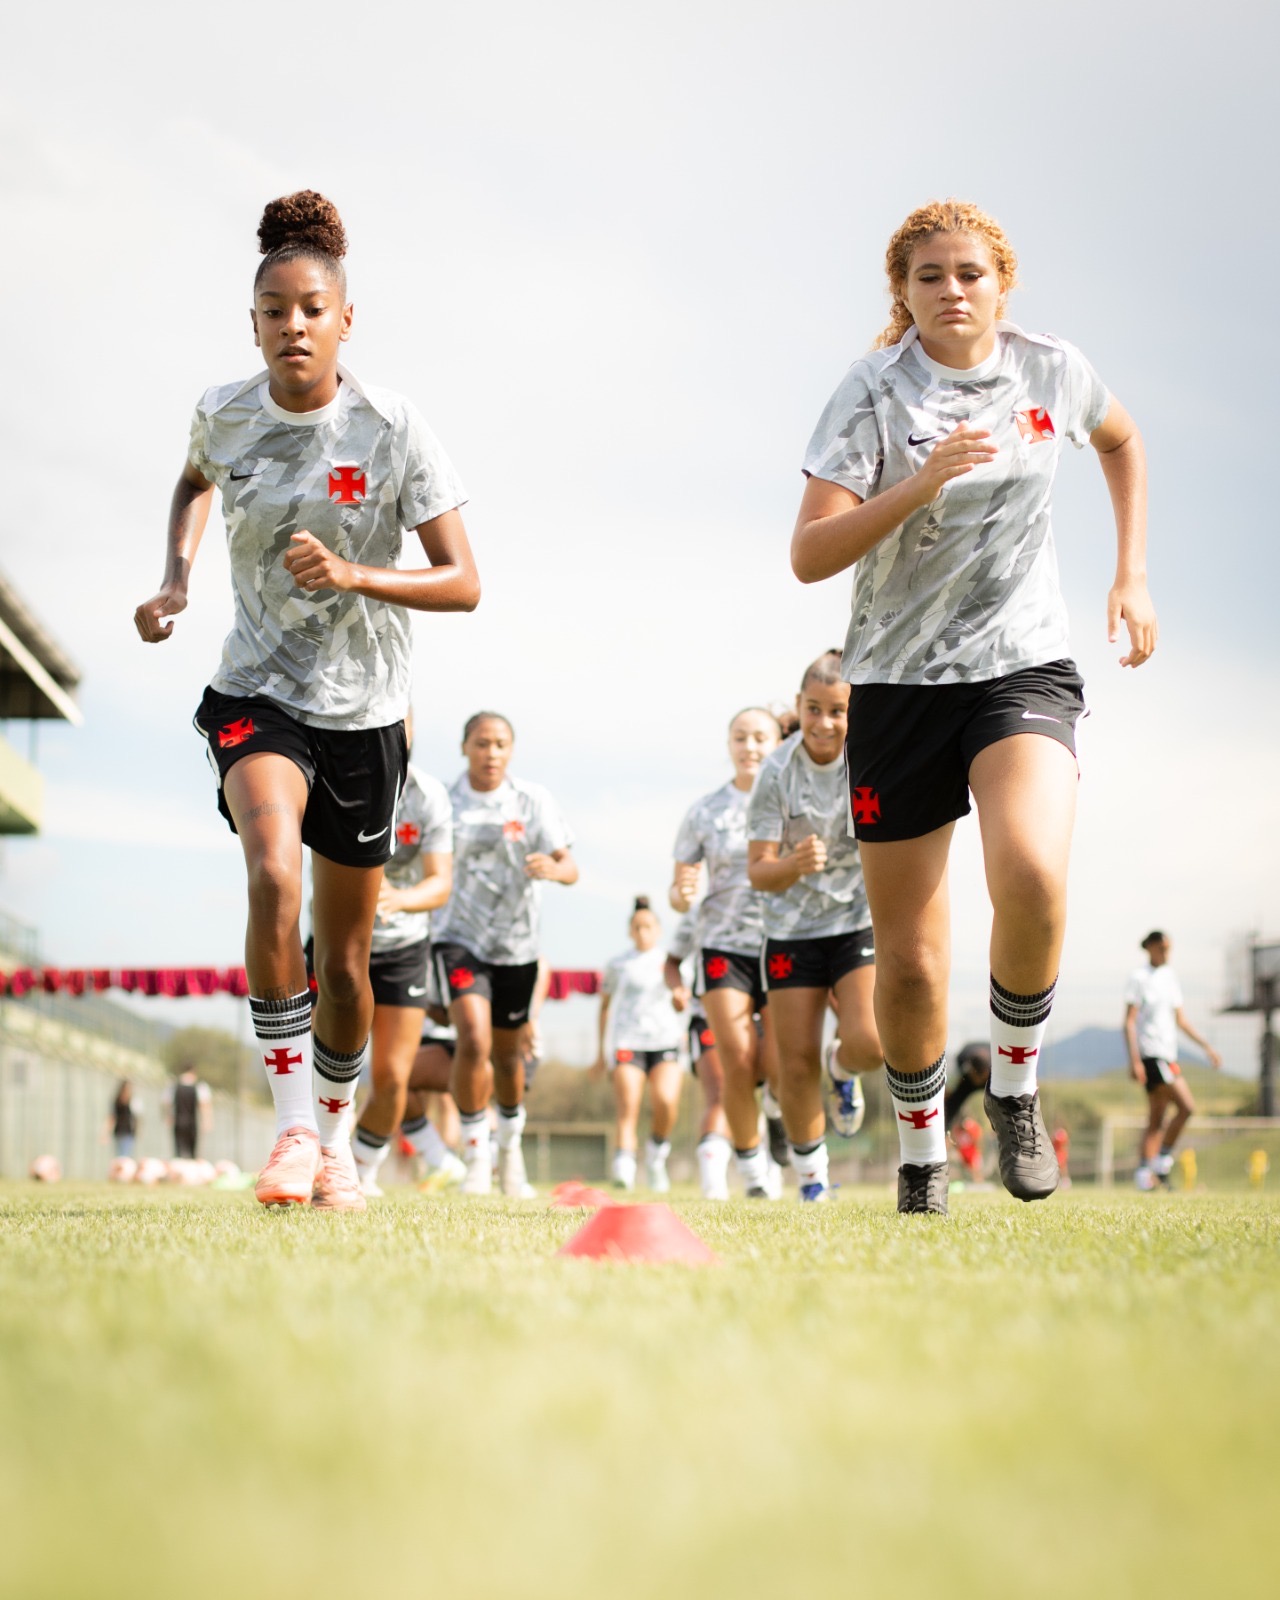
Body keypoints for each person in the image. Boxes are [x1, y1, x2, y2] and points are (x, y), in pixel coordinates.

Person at [792, 198, 1157, 1215]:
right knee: (910, 963)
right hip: (896, 685)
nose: (951, 291)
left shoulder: (1050, 370)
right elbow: (808, 553)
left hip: (1020, 666)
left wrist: (1130, 573)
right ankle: (920, 1157)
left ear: (1001, 285)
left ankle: (1014, 1090)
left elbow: (1121, 440)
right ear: (902, 294)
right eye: (928, 277)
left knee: (1032, 874)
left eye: (969, 273)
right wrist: (917, 484)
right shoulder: (871, 390)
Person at [134, 190, 479, 1211]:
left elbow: (464, 581)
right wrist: (176, 579)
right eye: (274, 310)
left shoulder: (392, 426)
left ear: (344, 319)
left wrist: (354, 573)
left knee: (346, 961)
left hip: (366, 714)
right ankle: (291, 1130)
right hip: (256, 691)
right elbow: (193, 481)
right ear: (253, 325)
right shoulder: (224, 412)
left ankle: (334, 1142)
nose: (294, 325)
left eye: (312, 308)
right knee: (271, 872)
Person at [747, 651, 881, 1202]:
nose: (824, 723)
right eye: (813, 709)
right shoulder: (776, 772)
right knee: (794, 1064)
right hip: (791, 932)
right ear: (798, 706)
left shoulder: (870, 757)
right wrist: (793, 865)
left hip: (856, 922)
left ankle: (842, 1070)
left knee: (871, 1043)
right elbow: (758, 871)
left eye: (837, 711)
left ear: (854, 712)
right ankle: (812, 1182)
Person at [430, 712, 577, 1195]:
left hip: (517, 946)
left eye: (499, 744)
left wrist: (554, 869)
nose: (490, 753)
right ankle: (476, 1156)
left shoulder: (532, 801)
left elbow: (570, 867)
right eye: (481, 743)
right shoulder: (443, 801)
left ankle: (510, 1151)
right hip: (458, 939)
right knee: (472, 1039)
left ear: (510, 750)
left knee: (508, 1057)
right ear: (464, 747)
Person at [671, 708, 785, 1198]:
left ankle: (776, 1113)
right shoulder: (705, 810)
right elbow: (678, 893)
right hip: (722, 946)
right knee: (737, 1063)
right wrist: (682, 893)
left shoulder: (793, 799)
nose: (749, 747)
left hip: (784, 941)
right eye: (740, 737)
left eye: (760, 737)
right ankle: (754, 1173)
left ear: (778, 743)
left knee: (780, 1065)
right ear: (729, 745)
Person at [350, 716, 454, 1197]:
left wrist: (398, 899)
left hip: (405, 950)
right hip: (340, 942)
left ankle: (358, 1170)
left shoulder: (429, 796)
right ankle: (314, 1156)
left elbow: (440, 884)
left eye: (400, 721)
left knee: (393, 1077)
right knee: (326, 1066)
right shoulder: (338, 775)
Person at [593, 897, 687, 1192]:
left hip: (665, 1042)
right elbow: (604, 1007)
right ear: (630, 931)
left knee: (666, 1101)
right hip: (628, 1041)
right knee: (628, 1106)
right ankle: (624, 1168)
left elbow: (685, 1002)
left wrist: (680, 1003)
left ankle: (656, 1157)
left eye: (648, 926)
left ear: (658, 929)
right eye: (637, 927)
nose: (643, 932)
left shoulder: (671, 963)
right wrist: (600, 1053)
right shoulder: (618, 964)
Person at [1124, 930, 1222, 1189]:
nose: (1167, 953)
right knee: (1186, 1106)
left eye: (1169, 948)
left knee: (1156, 1117)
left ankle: (1144, 1176)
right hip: (1152, 1053)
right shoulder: (1139, 978)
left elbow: (1182, 1020)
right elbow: (1129, 1021)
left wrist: (1206, 1047)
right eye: (1163, 948)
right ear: (1151, 947)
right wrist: (1135, 1060)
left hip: (1168, 1054)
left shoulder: (1170, 978)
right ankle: (1161, 1164)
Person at [664, 912, 733, 1200]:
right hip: (708, 1016)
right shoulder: (700, 912)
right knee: (721, 1092)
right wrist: (678, 990)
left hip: (762, 1010)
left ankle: (769, 1162)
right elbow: (672, 962)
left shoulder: (774, 899)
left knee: (771, 1088)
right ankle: (714, 1183)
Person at [163, 1067, 213, 1160]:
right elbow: (203, 1105)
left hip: (178, 1121)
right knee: (192, 1152)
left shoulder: (174, 1086)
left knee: (178, 1151)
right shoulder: (199, 1086)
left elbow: (167, 1103)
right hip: (192, 1122)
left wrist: (168, 1116)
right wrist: (206, 1121)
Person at [103, 1079, 142, 1161]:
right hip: (119, 1132)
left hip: (128, 1132)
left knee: (125, 1155)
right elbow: (112, 1117)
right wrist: (106, 1132)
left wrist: (137, 1130)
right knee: (120, 1155)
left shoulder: (133, 1101)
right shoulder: (116, 1101)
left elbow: (137, 1118)